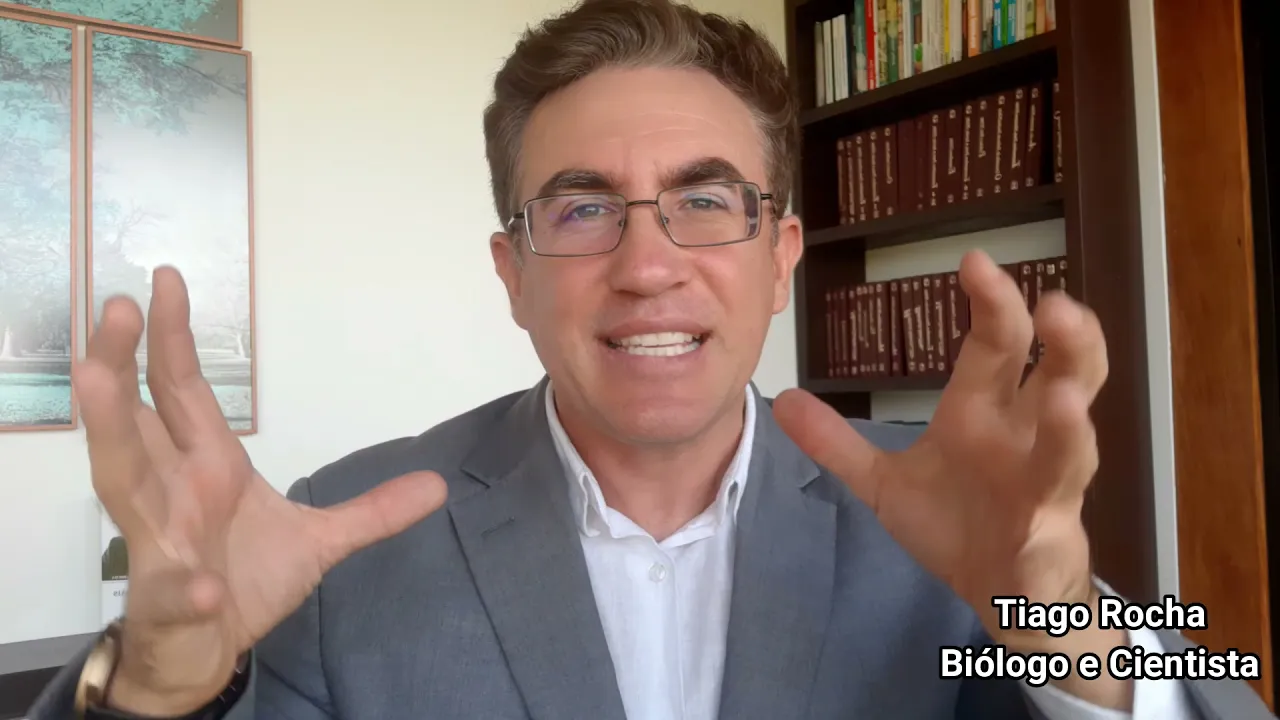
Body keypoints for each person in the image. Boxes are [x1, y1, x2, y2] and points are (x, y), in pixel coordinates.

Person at [29, 0, 1274, 718]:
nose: (646, 265)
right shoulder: (339, 536)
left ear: (780, 256)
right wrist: (155, 685)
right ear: (512, 272)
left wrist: (1067, 626)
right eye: (580, 208)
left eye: (705, 200)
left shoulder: (950, 516)